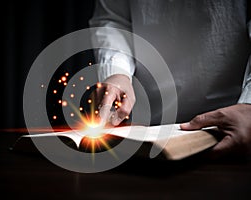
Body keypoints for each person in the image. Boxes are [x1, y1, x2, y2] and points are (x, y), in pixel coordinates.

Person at [89, 0, 251, 158]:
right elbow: (114, 18)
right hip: (147, 127)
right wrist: (117, 71)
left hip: (234, 123)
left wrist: (249, 105)